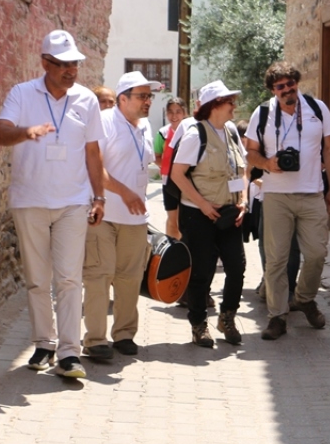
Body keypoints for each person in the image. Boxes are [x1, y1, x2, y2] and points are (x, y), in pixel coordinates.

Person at [0, 30, 107, 379]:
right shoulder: (22, 94)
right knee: (38, 280)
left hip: (73, 202)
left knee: (69, 278)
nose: (71, 71)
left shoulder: (86, 100)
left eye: (75, 64)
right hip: (30, 201)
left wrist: (99, 197)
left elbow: (93, 152)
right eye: (64, 65)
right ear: (45, 63)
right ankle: (44, 343)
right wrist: (26, 132)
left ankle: (70, 353)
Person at [244, 61, 330, 340]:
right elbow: (249, 152)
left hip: (311, 193)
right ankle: (277, 316)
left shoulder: (317, 109)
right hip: (276, 196)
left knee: (317, 254)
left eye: (291, 84)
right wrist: (267, 163)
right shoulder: (262, 113)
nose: (287, 90)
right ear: (273, 90)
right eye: (280, 86)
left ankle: (304, 298)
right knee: (276, 260)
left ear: (297, 83)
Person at [82, 71, 160, 360]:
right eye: (142, 96)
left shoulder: (146, 126)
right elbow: (94, 167)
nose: (147, 102)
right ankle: (94, 340)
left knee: (129, 278)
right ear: (123, 99)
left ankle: (125, 335)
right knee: (99, 276)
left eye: (149, 96)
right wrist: (124, 192)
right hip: (103, 215)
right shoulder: (103, 122)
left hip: (135, 219)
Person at [169, 81, 248, 347]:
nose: (234, 106)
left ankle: (227, 316)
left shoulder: (232, 132)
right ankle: (198, 324)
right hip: (198, 215)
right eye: (229, 101)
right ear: (215, 104)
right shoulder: (195, 134)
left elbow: (243, 170)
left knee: (237, 267)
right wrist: (202, 204)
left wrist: (244, 202)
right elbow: (176, 174)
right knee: (201, 272)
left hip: (229, 213)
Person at [158, 98, 189, 240]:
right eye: (170, 112)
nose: (174, 116)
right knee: (172, 220)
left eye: (178, 112)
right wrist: (167, 167)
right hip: (168, 182)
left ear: (185, 113)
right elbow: (156, 155)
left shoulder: (190, 132)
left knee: (184, 221)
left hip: (186, 183)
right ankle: (171, 251)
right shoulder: (162, 133)